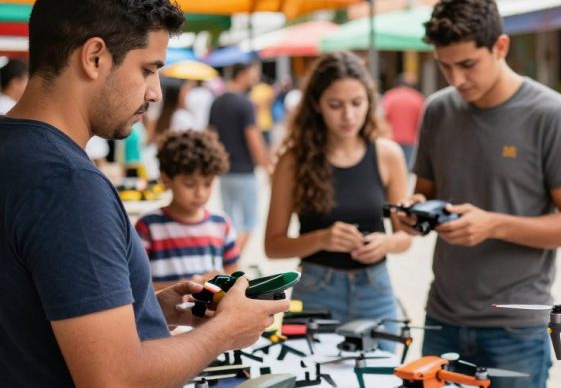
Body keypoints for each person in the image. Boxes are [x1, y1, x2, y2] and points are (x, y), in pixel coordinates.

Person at [0, 0, 289, 388]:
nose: (157, 92)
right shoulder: (68, 186)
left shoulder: (13, 155)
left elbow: (33, 320)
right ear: (95, 56)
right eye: (149, 68)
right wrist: (224, 330)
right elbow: (115, 386)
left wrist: (151, 308)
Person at [393, 0, 561, 388]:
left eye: (468, 64)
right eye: (445, 67)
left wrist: (493, 224)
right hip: (443, 318)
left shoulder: (552, 114)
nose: (457, 79)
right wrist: (413, 213)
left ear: (500, 46)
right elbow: (427, 192)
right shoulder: (437, 111)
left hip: (515, 329)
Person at [265, 52, 411, 326]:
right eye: (335, 104)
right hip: (316, 289)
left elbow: (404, 237)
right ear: (317, 105)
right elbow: (272, 245)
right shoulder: (293, 160)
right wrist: (322, 239)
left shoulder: (388, 155)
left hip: (375, 290)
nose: (348, 115)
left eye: (357, 103)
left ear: (370, 102)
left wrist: (386, 243)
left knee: (382, 369)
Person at [135, 129, 240, 287]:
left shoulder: (221, 223)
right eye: (189, 184)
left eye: (208, 183)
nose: (200, 193)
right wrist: (188, 285)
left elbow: (234, 276)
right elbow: (137, 285)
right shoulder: (148, 225)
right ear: (166, 178)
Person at [208, 61, 268, 255]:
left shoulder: (217, 102)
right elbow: (253, 138)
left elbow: (210, 135)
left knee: (230, 221)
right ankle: (232, 259)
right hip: (244, 171)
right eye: (252, 73)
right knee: (250, 221)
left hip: (224, 171)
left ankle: (229, 259)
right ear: (241, 74)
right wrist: (266, 165)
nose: (254, 78)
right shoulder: (245, 104)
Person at [381, 71, 426, 167]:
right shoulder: (418, 98)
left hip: (391, 139)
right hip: (410, 141)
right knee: (406, 170)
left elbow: (383, 118)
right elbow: (422, 122)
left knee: (392, 168)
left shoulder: (389, 96)